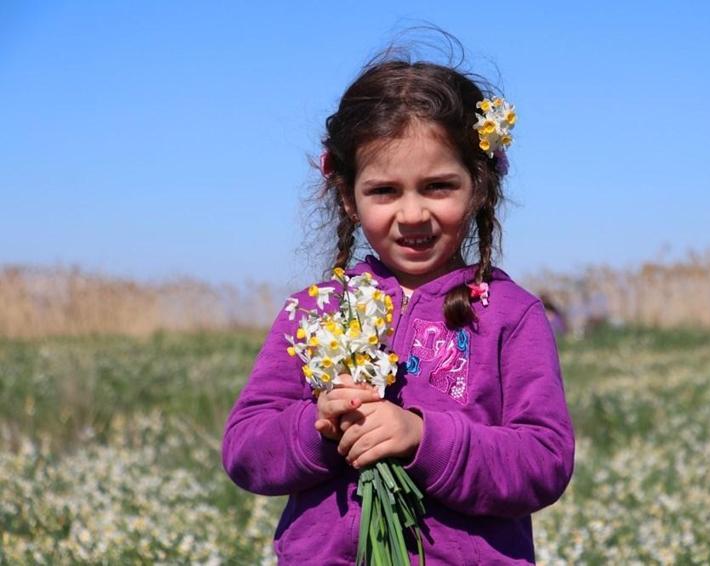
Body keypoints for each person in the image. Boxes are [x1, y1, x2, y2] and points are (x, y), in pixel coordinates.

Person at [221, 43, 575, 565]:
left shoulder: (510, 313)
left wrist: (422, 439)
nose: (412, 214)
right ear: (347, 195)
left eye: (437, 187)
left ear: (478, 184)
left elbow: (543, 461)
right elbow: (246, 449)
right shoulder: (315, 312)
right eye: (384, 191)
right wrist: (318, 426)